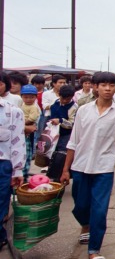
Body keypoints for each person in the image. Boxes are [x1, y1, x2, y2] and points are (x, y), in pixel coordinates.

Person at [60, 72, 115, 259]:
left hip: (104, 169)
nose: (107, 88)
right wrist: (65, 169)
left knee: (99, 209)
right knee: (80, 206)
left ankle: (94, 250)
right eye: (103, 85)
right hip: (80, 166)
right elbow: (73, 142)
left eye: (111, 85)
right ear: (95, 87)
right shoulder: (83, 110)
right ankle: (85, 225)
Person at [0, 71, 26, 251]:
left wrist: (17, 171)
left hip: (3, 164)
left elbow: (18, 143)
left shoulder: (12, 112)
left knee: (1, 202)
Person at [47, 85, 78, 181]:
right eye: (62, 98)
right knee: (51, 153)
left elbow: (73, 124)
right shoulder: (55, 102)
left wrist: (60, 121)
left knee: (61, 155)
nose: (64, 101)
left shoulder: (74, 107)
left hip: (66, 134)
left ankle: (58, 177)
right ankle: (51, 174)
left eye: (67, 99)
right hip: (53, 132)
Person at [20, 84, 41, 181]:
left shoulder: (34, 107)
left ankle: (24, 176)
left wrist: (20, 123)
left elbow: (32, 118)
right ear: (22, 97)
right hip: (20, 131)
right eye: (26, 97)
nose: (28, 99)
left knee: (27, 153)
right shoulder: (22, 105)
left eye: (31, 97)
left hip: (28, 132)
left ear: (35, 97)